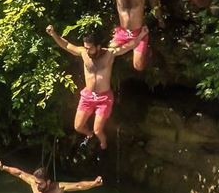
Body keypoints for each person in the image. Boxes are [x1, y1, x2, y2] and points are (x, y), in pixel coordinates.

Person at [46, 23, 149, 152]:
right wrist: (53, 34)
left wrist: (141, 35)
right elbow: (66, 45)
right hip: (87, 97)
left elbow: (129, 46)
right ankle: (89, 134)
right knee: (78, 127)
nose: (87, 51)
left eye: (90, 48)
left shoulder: (110, 54)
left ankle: (103, 141)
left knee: (98, 129)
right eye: (86, 48)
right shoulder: (83, 53)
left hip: (103, 98)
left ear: (99, 46)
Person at [83, 0, 154, 71]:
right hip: (123, 33)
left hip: (139, 32)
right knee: (109, 52)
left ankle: (147, 53)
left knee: (138, 66)